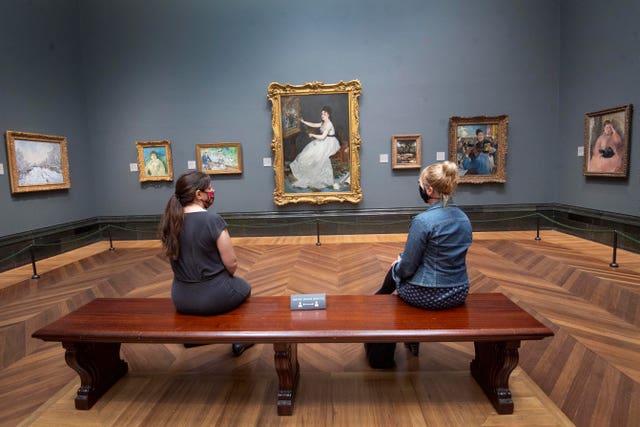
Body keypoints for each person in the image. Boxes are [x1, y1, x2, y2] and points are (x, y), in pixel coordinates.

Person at [368, 161, 473, 365]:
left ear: (429, 189)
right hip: (458, 291)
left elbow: (407, 268)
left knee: (397, 266)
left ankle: (378, 301)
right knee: (400, 263)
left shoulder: (423, 221)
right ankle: (383, 301)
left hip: (427, 295)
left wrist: (397, 265)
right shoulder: (464, 218)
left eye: (420, 184)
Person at [159, 171, 253, 356]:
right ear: (198, 194)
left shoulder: (172, 221)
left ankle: (196, 337)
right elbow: (231, 263)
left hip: (181, 297)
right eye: (209, 187)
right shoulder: (212, 220)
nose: (212, 190)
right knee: (244, 288)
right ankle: (240, 337)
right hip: (213, 295)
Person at [288, 106, 341, 189]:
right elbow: (314, 124)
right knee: (308, 153)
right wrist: (304, 122)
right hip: (324, 141)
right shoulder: (323, 122)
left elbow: (323, 137)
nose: (322, 115)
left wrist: (313, 135)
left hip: (330, 142)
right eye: (322, 113)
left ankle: (314, 176)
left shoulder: (329, 124)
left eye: (324, 114)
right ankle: (304, 172)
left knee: (317, 156)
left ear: (328, 115)